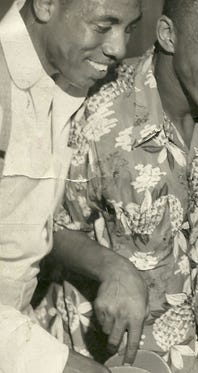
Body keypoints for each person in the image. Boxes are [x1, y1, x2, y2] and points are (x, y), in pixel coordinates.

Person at [33, 0, 198, 371]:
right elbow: (42, 229)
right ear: (168, 34)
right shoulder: (95, 115)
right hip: (104, 353)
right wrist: (111, 268)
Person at [0, 0, 141, 372]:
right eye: (103, 25)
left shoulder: (69, 72)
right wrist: (62, 365)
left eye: (129, 28)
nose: (119, 48)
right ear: (45, 4)